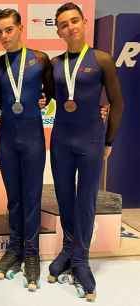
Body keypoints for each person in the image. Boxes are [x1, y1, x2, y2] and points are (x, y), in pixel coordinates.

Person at [48, 2, 123, 301]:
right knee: (65, 198)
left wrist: (108, 141)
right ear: (58, 30)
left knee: (86, 200)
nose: (70, 28)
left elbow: (117, 102)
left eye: (74, 21)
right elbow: (46, 97)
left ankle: (81, 258)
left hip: (91, 141)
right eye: (64, 24)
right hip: (61, 141)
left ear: (84, 22)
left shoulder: (102, 59)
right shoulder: (53, 64)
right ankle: (68, 250)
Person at [0, 8, 54, 291]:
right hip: (6, 137)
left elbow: (52, 92)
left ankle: (32, 253)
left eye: (9, 30)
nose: (4, 36)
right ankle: (15, 248)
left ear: (20, 29)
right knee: (14, 198)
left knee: (31, 196)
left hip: (32, 137)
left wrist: (43, 100)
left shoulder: (40, 60)